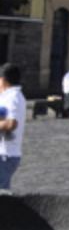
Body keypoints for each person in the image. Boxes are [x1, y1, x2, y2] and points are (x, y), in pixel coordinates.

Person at [0, 63, 25, 191]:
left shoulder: (13, 97)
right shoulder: (7, 96)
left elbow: (12, 123)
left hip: (6, 155)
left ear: (3, 80)